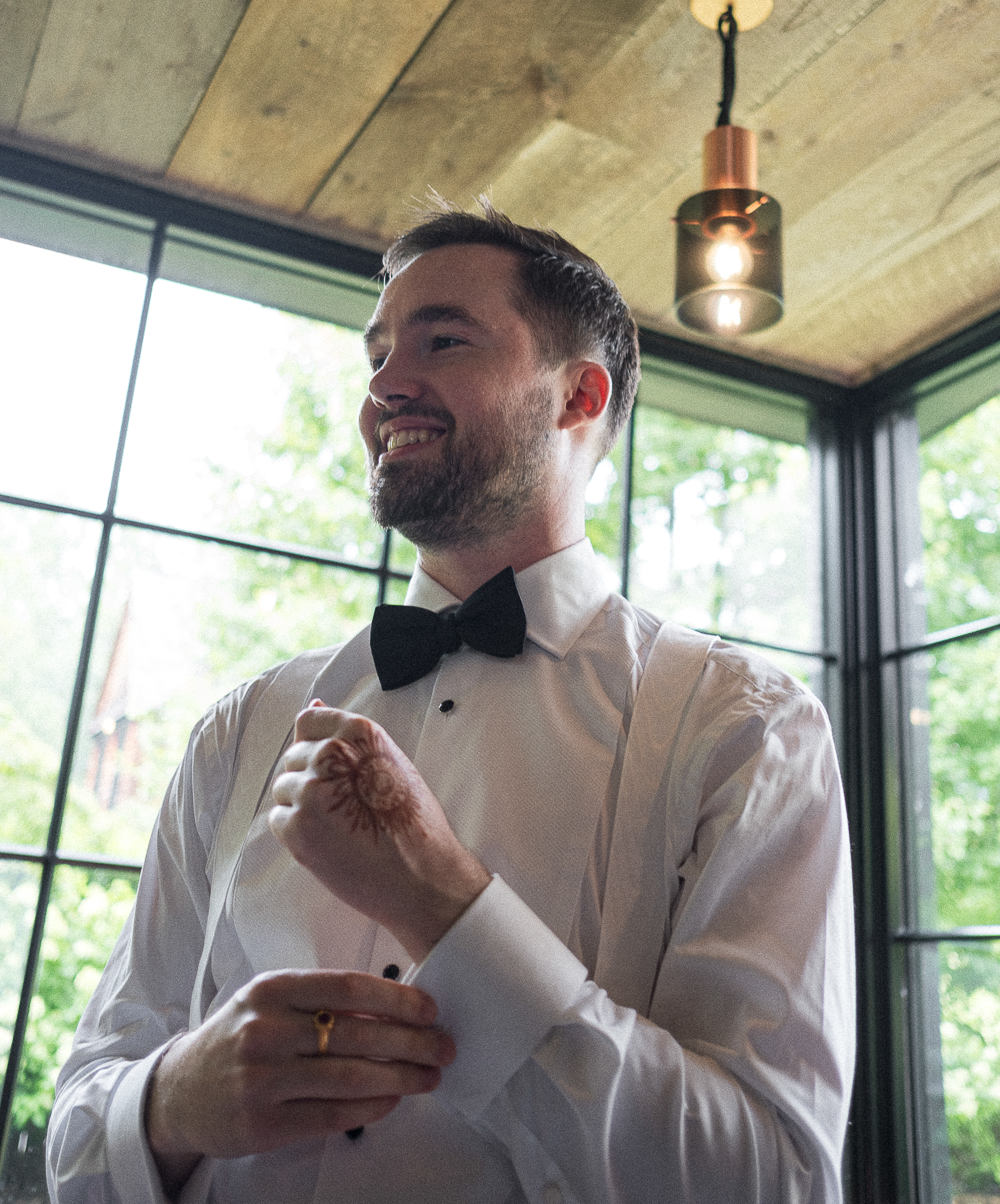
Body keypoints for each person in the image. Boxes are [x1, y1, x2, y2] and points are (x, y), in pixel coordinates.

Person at [48, 203, 855, 1204]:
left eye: (441, 340)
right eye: (377, 352)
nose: (383, 385)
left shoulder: (744, 729)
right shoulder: (243, 728)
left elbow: (771, 1181)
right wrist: (167, 1105)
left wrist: (440, 898)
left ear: (578, 396)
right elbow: (81, 1126)